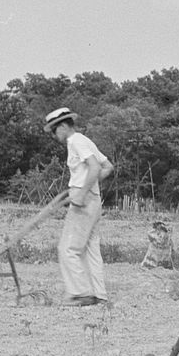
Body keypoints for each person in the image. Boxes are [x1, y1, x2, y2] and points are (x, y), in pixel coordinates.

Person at [43, 107, 113, 307]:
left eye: (55, 131)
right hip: (93, 201)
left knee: (68, 248)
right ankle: (99, 294)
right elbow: (107, 167)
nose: (55, 136)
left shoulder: (75, 141)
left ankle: (81, 293)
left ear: (63, 126)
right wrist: (88, 187)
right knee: (90, 248)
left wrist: (81, 192)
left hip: (84, 202)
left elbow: (95, 167)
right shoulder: (85, 140)